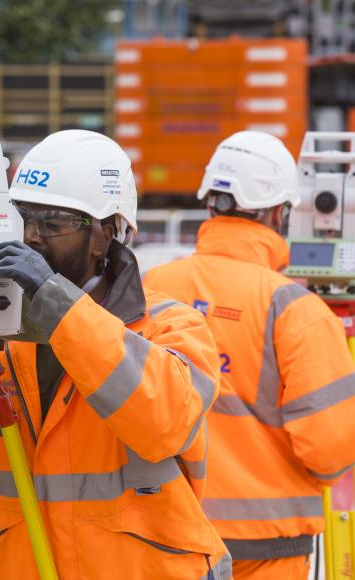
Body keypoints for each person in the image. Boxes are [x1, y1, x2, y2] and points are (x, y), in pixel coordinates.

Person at [0, 130, 231, 579]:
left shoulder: (169, 325)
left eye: (55, 222)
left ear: (105, 235)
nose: (32, 237)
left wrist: (57, 305)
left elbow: (164, 422)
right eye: (21, 218)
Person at [144, 130, 355, 579]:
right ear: (280, 212)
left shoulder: (151, 287)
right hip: (266, 548)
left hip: (165, 537)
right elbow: (330, 449)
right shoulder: (294, 308)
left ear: (209, 202)